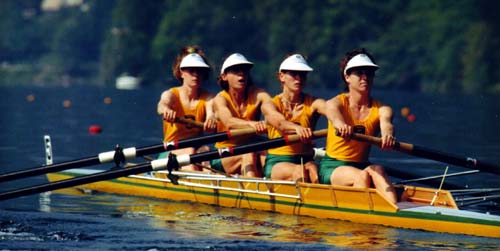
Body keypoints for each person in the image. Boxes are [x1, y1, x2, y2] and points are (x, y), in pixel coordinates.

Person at [319, 48, 398, 203]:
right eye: (359, 73)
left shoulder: (382, 109)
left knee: (378, 170)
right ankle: (364, 222)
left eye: (369, 73)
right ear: (347, 77)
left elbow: (387, 124)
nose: (365, 77)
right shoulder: (336, 103)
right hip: (333, 167)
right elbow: (332, 113)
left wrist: (387, 136)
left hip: (362, 166)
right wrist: (340, 124)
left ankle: (395, 212)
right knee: (363, 175)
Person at [262, 54, 326, 183]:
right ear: (281, 76)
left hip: (306, 159)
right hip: (278, 161)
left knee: (313, 169)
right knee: (300, 170)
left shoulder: (314, 103)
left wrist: (341, 122)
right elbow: (280, 123)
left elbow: (330, 109)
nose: (299, 78)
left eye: (302, 74)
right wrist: (297, 128)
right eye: (294, 74)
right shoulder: (270, 104)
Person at [157, 45, 217, 171]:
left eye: (199, 70)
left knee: (205, 150)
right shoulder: (172, 94)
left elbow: (211, 110)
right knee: (191, 151)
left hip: (197, 150)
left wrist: (211, 118)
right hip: (170, 150)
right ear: (181, 72)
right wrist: (166, 110)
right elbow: (162, 105)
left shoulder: (208, 97)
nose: (196, 74)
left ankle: (209, 180)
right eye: (191, 70)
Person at [212, 53, 271, 177]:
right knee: (248, 154)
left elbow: (271, 109)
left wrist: (272, 120)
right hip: (223, 153)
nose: (241, 74)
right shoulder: (220, 99)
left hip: (253, 147)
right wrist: (253, 124)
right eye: (236, 71)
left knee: (270, 157)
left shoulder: (259, 94)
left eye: (244, 70)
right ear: (224, 76)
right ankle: (253, 192)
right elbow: (229, 122)